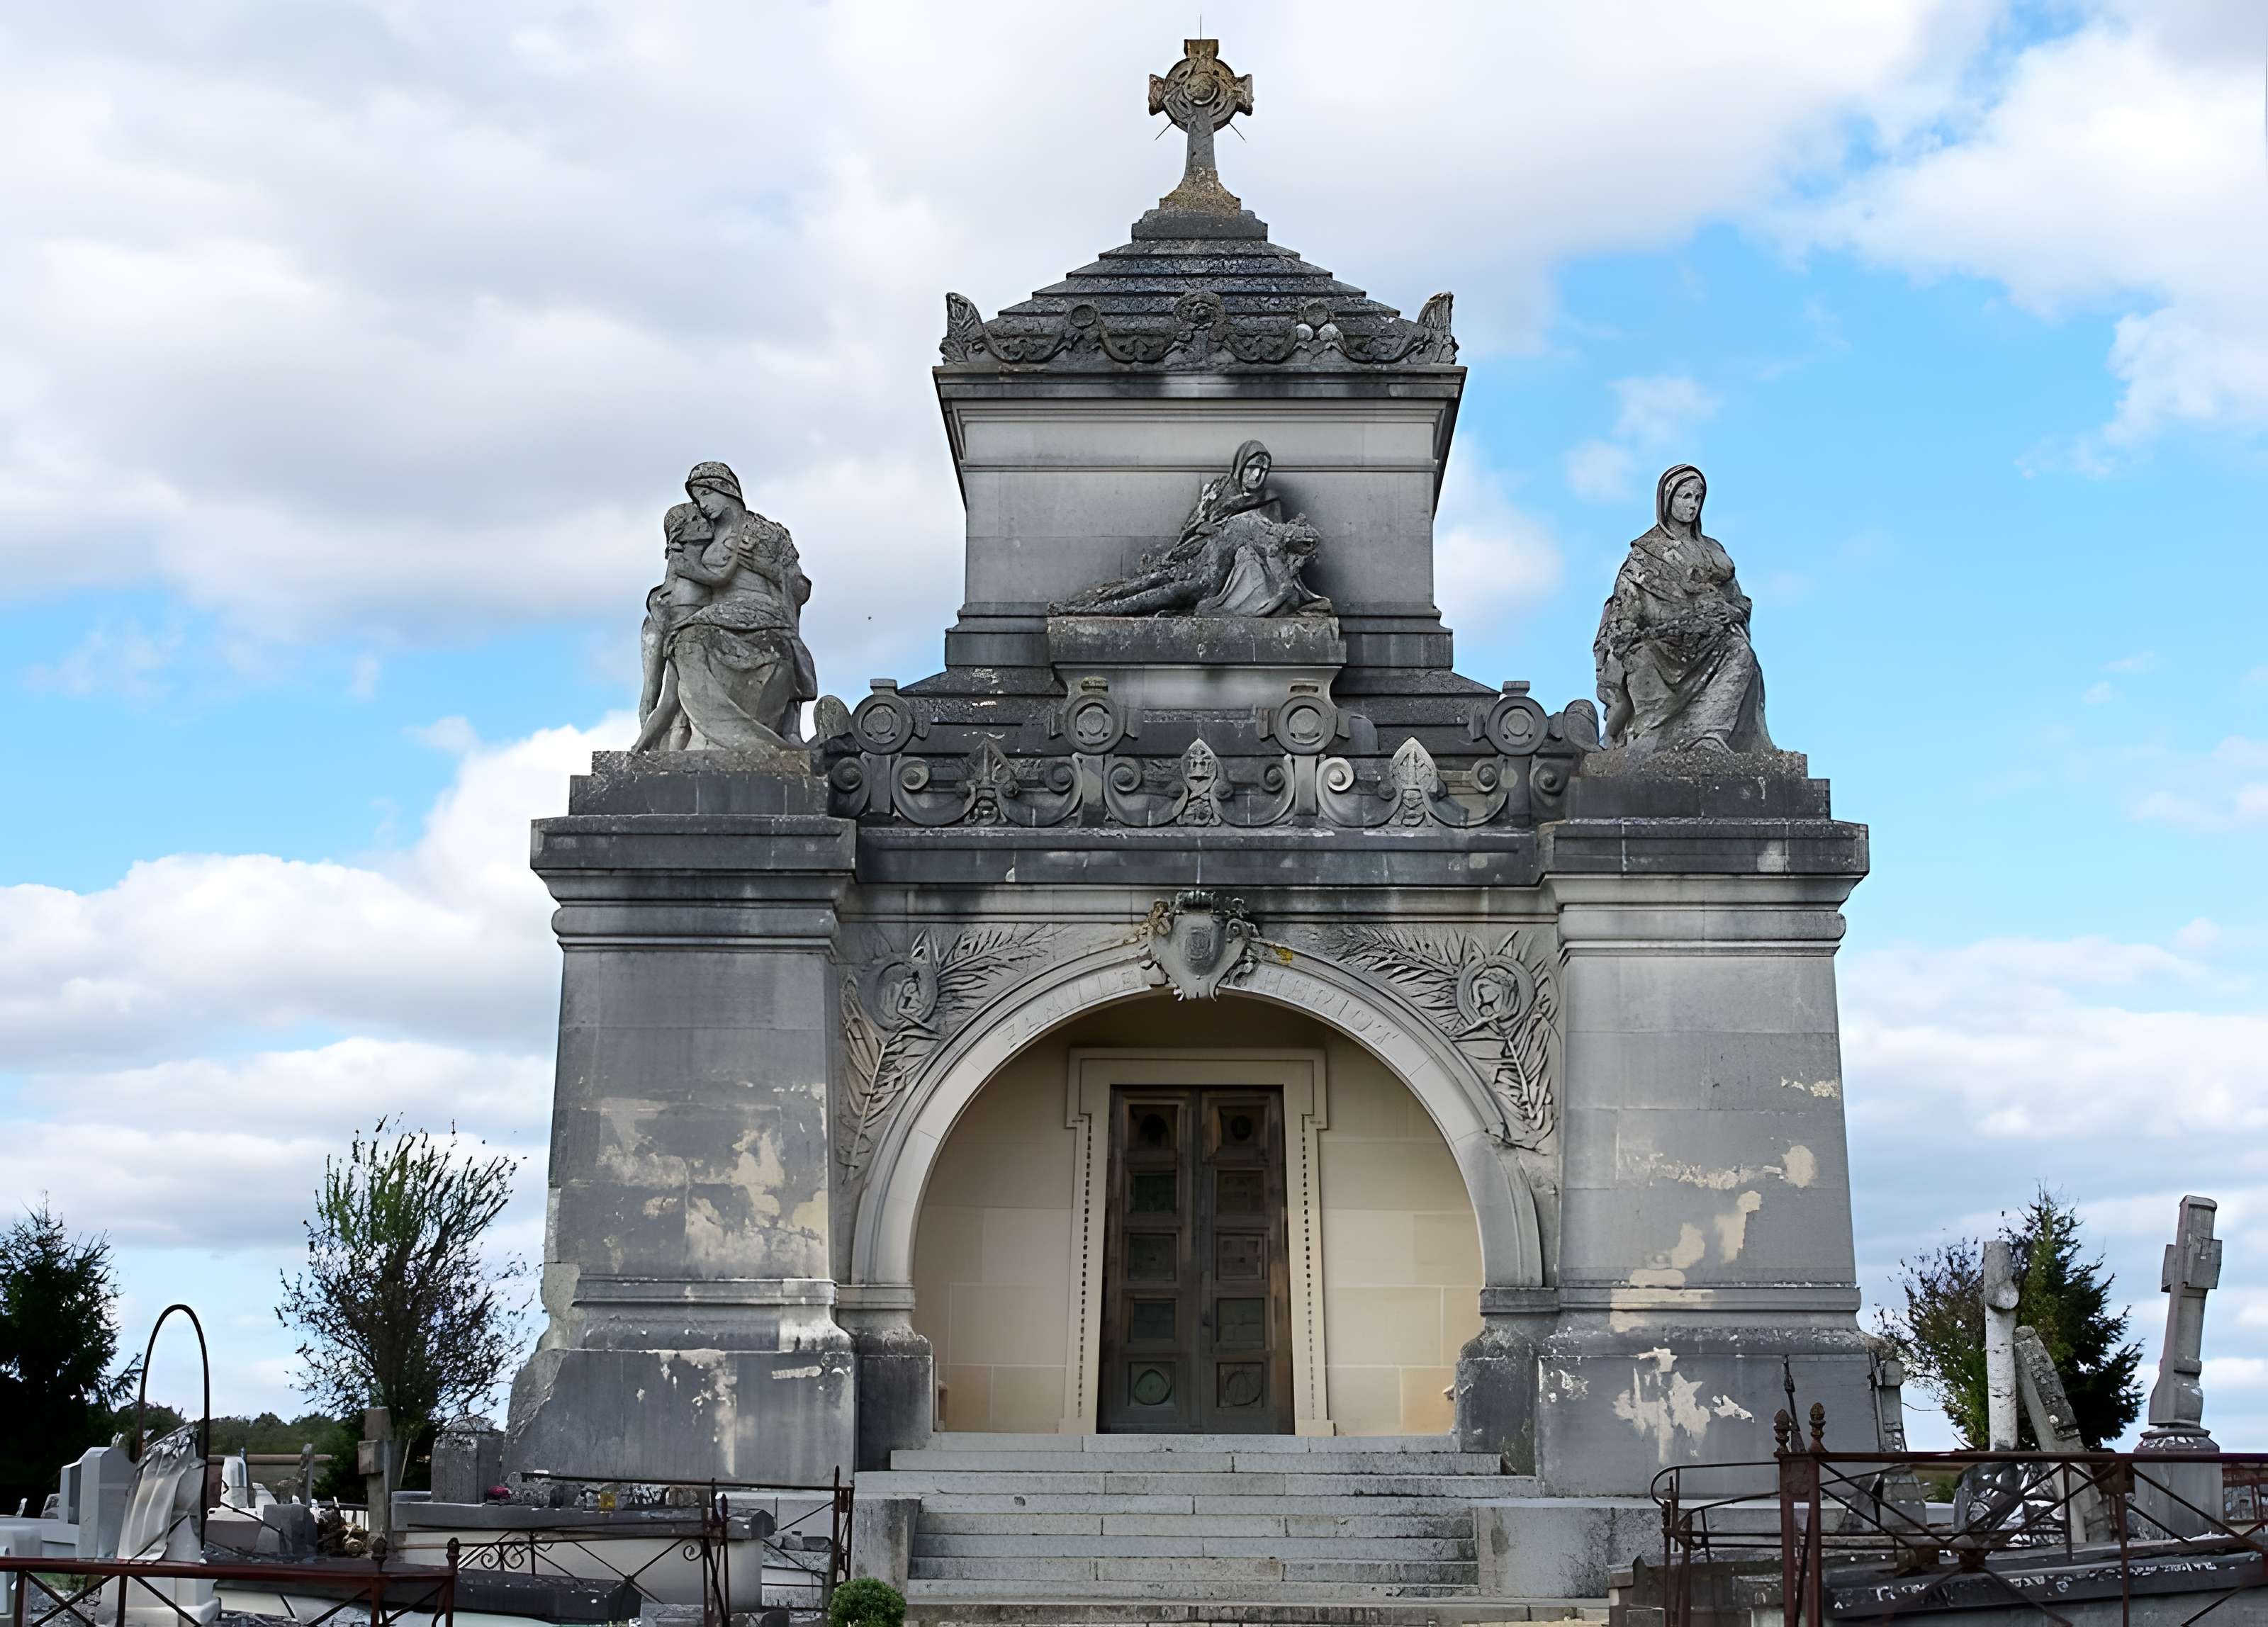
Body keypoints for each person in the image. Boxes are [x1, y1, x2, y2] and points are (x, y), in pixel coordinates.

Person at [633, 463, 816, 751]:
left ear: (726, 490)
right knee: (685, 641)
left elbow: (800, 590)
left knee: (689, 635)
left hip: (765, 614)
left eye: (706, 494)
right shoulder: (704, 533)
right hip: (714, 618)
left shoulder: (766, 532)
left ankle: (751, 738)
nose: (702, 505)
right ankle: (699, 735)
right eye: (698, 498)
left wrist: (767, 568)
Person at [1593, 464, 1773, 756]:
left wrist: (1730, 612)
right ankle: (1654, 737)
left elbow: (1738, 601)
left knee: (1741, 652)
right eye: (1685, 496)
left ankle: (1709, 737)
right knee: (1641, 658)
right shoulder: (1645, 556)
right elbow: (1624, 617)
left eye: (1697, 498)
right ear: (1667, 500)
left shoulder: (1713, 551)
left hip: (1713, 639)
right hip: (1662, 642)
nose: (1692, 505)